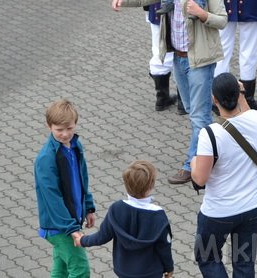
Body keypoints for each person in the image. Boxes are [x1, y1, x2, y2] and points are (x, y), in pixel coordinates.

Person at [112, 0, 229, 186]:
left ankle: (192, 165)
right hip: (179, 58)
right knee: (191, 109)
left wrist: (202, 14)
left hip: (201, 61)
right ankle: (214, 150)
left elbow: (223, 20)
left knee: (199, 116)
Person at [191, 72, 257, 278]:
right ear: (240, 94)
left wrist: (193, 163)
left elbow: (200, 179)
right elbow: (245, 108)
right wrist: (241, 91)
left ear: (214, 100)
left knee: (207, 256)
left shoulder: (210, 134)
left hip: (219, 211)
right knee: (244, 262)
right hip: (253, 206)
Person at [74, 160, 174, 278]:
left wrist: (82, 240)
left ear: (126, 185)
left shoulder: (116, 209)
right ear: (150, 186)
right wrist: (169, 268)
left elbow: (102, 236)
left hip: (124, 270)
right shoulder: (158, 215)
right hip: (150, 272)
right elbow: (164, 247)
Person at [34, 99, 95, 278]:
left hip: (70, 221)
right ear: (49, 126)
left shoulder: (75, 146)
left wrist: (88, 207)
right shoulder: (46, 158)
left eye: (69, 128)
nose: (65, 134)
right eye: (59, 130)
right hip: (59, 226)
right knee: (80, 269)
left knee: (60, 270)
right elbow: (52, 198)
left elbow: (82, 178)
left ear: (75, 123)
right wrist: (71, 229)